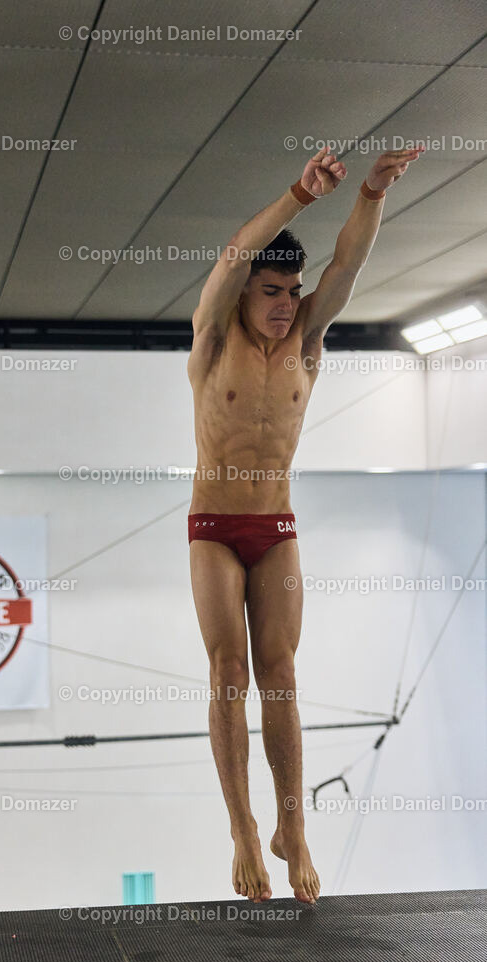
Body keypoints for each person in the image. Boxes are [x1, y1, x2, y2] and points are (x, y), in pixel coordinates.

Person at [187, 143, 424, 904]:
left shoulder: (306, 345)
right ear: (244, 295)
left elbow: (346, 269)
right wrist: (298, 193)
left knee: (280, 677)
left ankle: (292, 826)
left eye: (292, 289)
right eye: (271, 290)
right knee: (228, 677)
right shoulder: (212, 342)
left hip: (275, 528)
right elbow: (228, 260)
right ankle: (244, 831)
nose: (286, 301)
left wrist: (370, 193)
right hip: (214, 531)